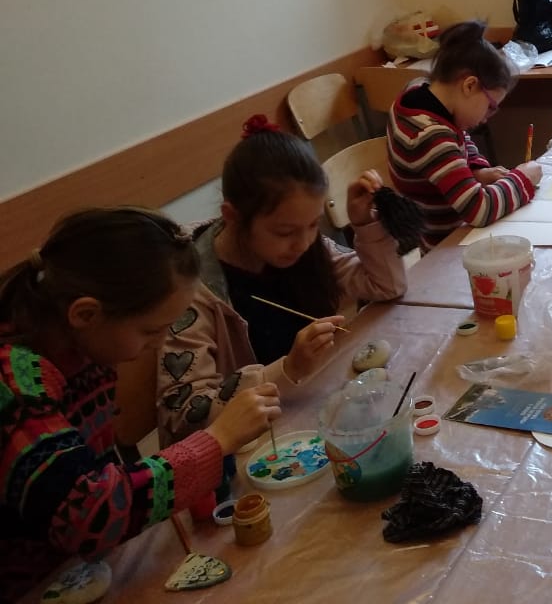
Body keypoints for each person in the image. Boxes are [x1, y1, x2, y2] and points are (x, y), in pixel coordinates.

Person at [1, 208, 279, 597]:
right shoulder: (15, 387)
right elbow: (87, 515)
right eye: (151, 331)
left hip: (79, 571)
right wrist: (215, 442)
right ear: (85, 313)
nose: (159, 343)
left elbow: (94, 474)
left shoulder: (84, 347)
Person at [155, 116, 405, 446]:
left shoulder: (303, 244)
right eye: (284, 232)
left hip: (311, 410)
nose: (302, 243)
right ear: (233, 217)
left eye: (314, 225)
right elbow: (185, 417)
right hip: (258, 444)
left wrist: (365, 225)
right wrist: (287, 369)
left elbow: (386, 286)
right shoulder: (191, 291)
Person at [388, 20, 542, 245]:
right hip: (447, 247)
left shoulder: (418, 92)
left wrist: (477, 170)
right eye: (490, 107)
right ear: (469, 85)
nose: (486, 118)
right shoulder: (431, 135)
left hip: (456, 235)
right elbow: (480, 210)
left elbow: (458, 137)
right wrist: (523, 179)